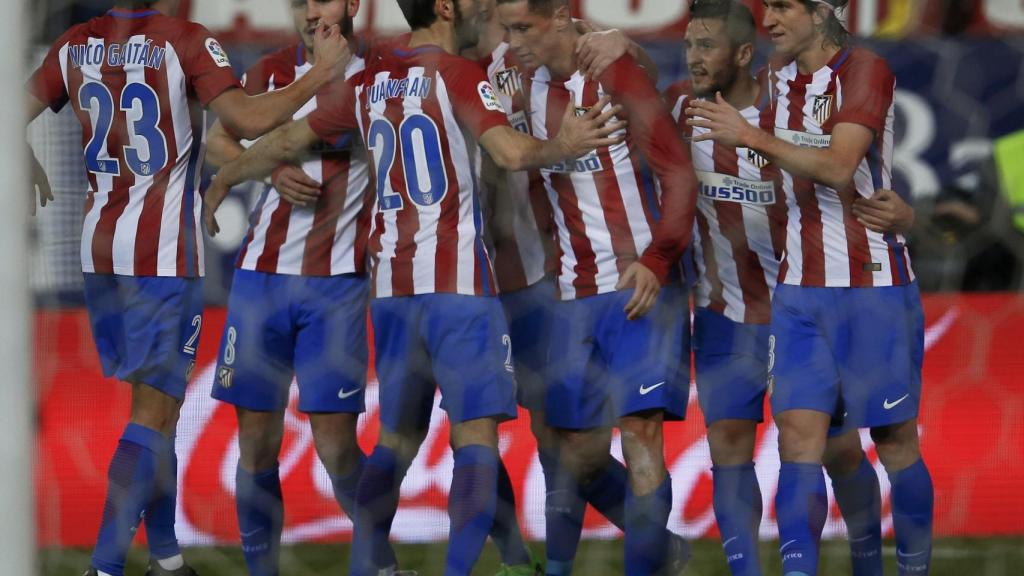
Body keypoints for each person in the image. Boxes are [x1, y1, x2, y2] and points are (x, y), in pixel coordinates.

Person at [203, 0, 624, 573]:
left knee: (393, 446)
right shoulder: (457, 76)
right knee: (475, 442)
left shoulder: (370, 81)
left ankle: (373, 565)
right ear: (447, 9)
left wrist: (227, 177)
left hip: (391, 290)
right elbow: (512, 152)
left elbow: (281, 140)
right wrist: (564, 146)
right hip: (459, 288)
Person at [24, 1, 351, 575]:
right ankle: (104, 567)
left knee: (158, 406)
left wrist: (23, 157)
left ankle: (168, 559)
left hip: (99, 248)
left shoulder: (74, 42)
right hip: (161, 253)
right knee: (151, 417)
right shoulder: (184, 39)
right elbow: (247, 121)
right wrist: (324, 73)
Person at [667, 1, 914, 574]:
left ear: (745, 54)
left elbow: (858, 176)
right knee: (729, 444)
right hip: (725, 309)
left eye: (708, 46)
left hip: (799, 300)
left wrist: (908, 217)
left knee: (839, 448)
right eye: (690, 46)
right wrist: (608, 41)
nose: (694, 58)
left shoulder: (794, 98)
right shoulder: (678, 106)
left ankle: (866, 557)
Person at [469, 2, 688, 574]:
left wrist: (658, 260)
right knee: (575, 454)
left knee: (641, 435)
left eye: (523, 28)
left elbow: (678, 173)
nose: (511, 38)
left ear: (561, 18)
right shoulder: (513, 84)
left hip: (639, 285)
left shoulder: (614, 73)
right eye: (507, 28)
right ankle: (642, 557)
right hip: (570, 290)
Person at [200, 1, 376, 574]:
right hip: (260, 281)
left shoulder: (382, 76)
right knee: (255, 442)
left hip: (337, 285)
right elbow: (216, 144)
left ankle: (380, 561)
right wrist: (271, 168)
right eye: (300, 0)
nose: (309, 11)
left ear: (352, 4)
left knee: (336, 447)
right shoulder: (271, 72)